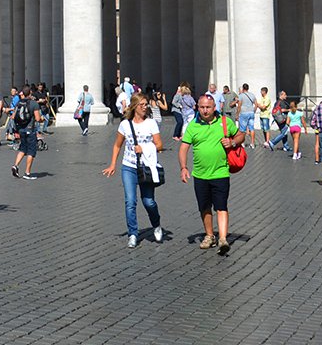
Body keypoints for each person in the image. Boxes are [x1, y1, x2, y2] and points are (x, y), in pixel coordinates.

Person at [179, 94, 244, 255]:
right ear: (197, 108)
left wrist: (233, 142)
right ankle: (209, 235)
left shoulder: (224, 122)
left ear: (214, 107)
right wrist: (183, 167)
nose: (205, 110)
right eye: (202, 107)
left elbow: (240, 134)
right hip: (200, 174)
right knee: (205, 207)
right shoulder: (193, 126)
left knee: (221, 206)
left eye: (208, 107)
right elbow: (183, 148)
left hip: (220, 172)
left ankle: (222, 238)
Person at [103, 92, 164, 248]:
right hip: (129, 166)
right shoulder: (125, 124)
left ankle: (156, 224)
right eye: (142, 105)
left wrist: (143, 148)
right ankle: (132, 233)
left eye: (146, 105)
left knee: (149, 202)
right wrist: (112, 164)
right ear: (134, 106)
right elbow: (117, 145)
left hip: (146, 167)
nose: (145, 107)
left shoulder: (151, 123)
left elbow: (159, 145)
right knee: (130, 201)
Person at [11, 86, 42, 180]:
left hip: (21, 129)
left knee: (22, 149)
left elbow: (13, 116)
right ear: (30, 93)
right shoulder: (34, 103)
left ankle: (15, 165)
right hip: (30, 130)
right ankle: (27, 173)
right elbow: (37, 118)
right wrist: (41, 119)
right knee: (31, 152)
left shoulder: (19, 103)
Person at [235, 84, 257, 148]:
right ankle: (252, 143)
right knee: (252, 128)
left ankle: (242, 143)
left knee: (243, 129)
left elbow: (239, 106)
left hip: (243, 113)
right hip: (251, 113)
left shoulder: (241, 96)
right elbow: (256, 104)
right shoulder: (252, 95)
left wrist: (237, 114)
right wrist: (254, 111)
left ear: (243, 88)